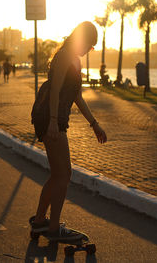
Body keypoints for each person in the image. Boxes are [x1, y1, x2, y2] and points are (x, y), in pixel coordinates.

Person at [30, 21, 107, 241]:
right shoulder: (64, 56)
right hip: (49, 118)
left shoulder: (75, 59)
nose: (87, 50)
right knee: (64, 174)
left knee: (58, 174)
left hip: (57, 119)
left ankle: (39, 222)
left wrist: (94, 124)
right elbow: (54, 90)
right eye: (89, 45)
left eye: (92, 48)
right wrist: (53, 121)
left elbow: (77, 96)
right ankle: (53, 228)